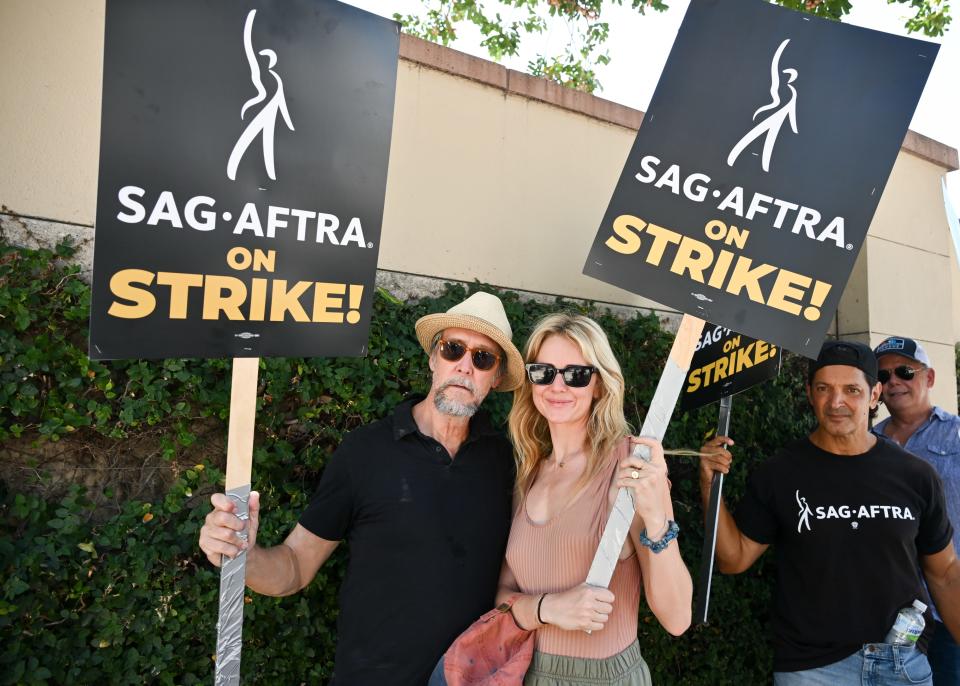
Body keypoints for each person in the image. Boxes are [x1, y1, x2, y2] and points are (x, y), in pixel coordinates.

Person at [198, 291, 525, 685]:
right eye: (454, 349)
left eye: (483, 358)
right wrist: (240, 556)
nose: (465, 367)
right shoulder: (366, 451)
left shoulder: (506, 463)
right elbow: (296, 567)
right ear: (434, 358)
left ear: (496, 378)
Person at [699, 340, 960, 685]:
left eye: (852, 389)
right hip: (813, 670)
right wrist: (708, 485)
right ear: (810, 393)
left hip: (901, 664)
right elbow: (735, 559)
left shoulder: (915, 474)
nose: (837, 402)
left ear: (874, 394)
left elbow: (944, 575)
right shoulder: (780, 473)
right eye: (824, 388)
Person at [495, 313, 692, 685]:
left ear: (599, 385)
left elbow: (678, 618)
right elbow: (503, 598)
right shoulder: (527, 473)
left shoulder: (631, 466)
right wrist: (549, 608)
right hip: (527, 675)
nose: (557, 386)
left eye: (576, 374)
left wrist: (656, 518)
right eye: (544, 372)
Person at [872, 336, 960, 685]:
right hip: (888, 614)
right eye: (883, 375)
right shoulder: (868, 445)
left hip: (949, 608)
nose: (893, 381)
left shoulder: (957, 435)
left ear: (930, 378)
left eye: (905, 371)